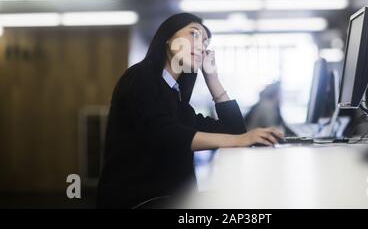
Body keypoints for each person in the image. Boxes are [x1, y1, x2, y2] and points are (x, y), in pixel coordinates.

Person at [96, 13, 283, 208]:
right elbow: (165, 134)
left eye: (205, 42)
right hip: (140, 202)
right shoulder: (141, 76)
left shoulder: (176, 99)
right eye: (194, 34)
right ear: (168, 38)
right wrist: (239, 139)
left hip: (173, 199)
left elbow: (234, 130)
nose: (202, 46)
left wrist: (212, 78)